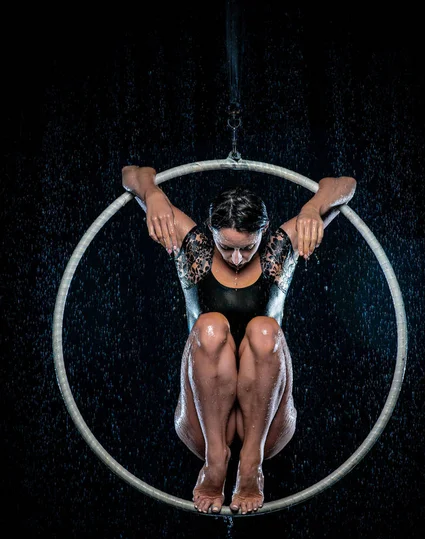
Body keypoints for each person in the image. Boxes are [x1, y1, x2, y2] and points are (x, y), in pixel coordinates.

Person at [122, 165, 356, 514]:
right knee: (211, 326)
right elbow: (132, 173)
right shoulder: (192, 245)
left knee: (264, 331)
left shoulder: (281, 246)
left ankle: (250, 464)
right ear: (211, 232)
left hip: (266, 419)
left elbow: (344, 184)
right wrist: (153, 194)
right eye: (226, 247)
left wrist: (312, 209)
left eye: (247, 249)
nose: (235, 259)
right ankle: (216, 460)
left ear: (263, 232)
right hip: (203, 420)